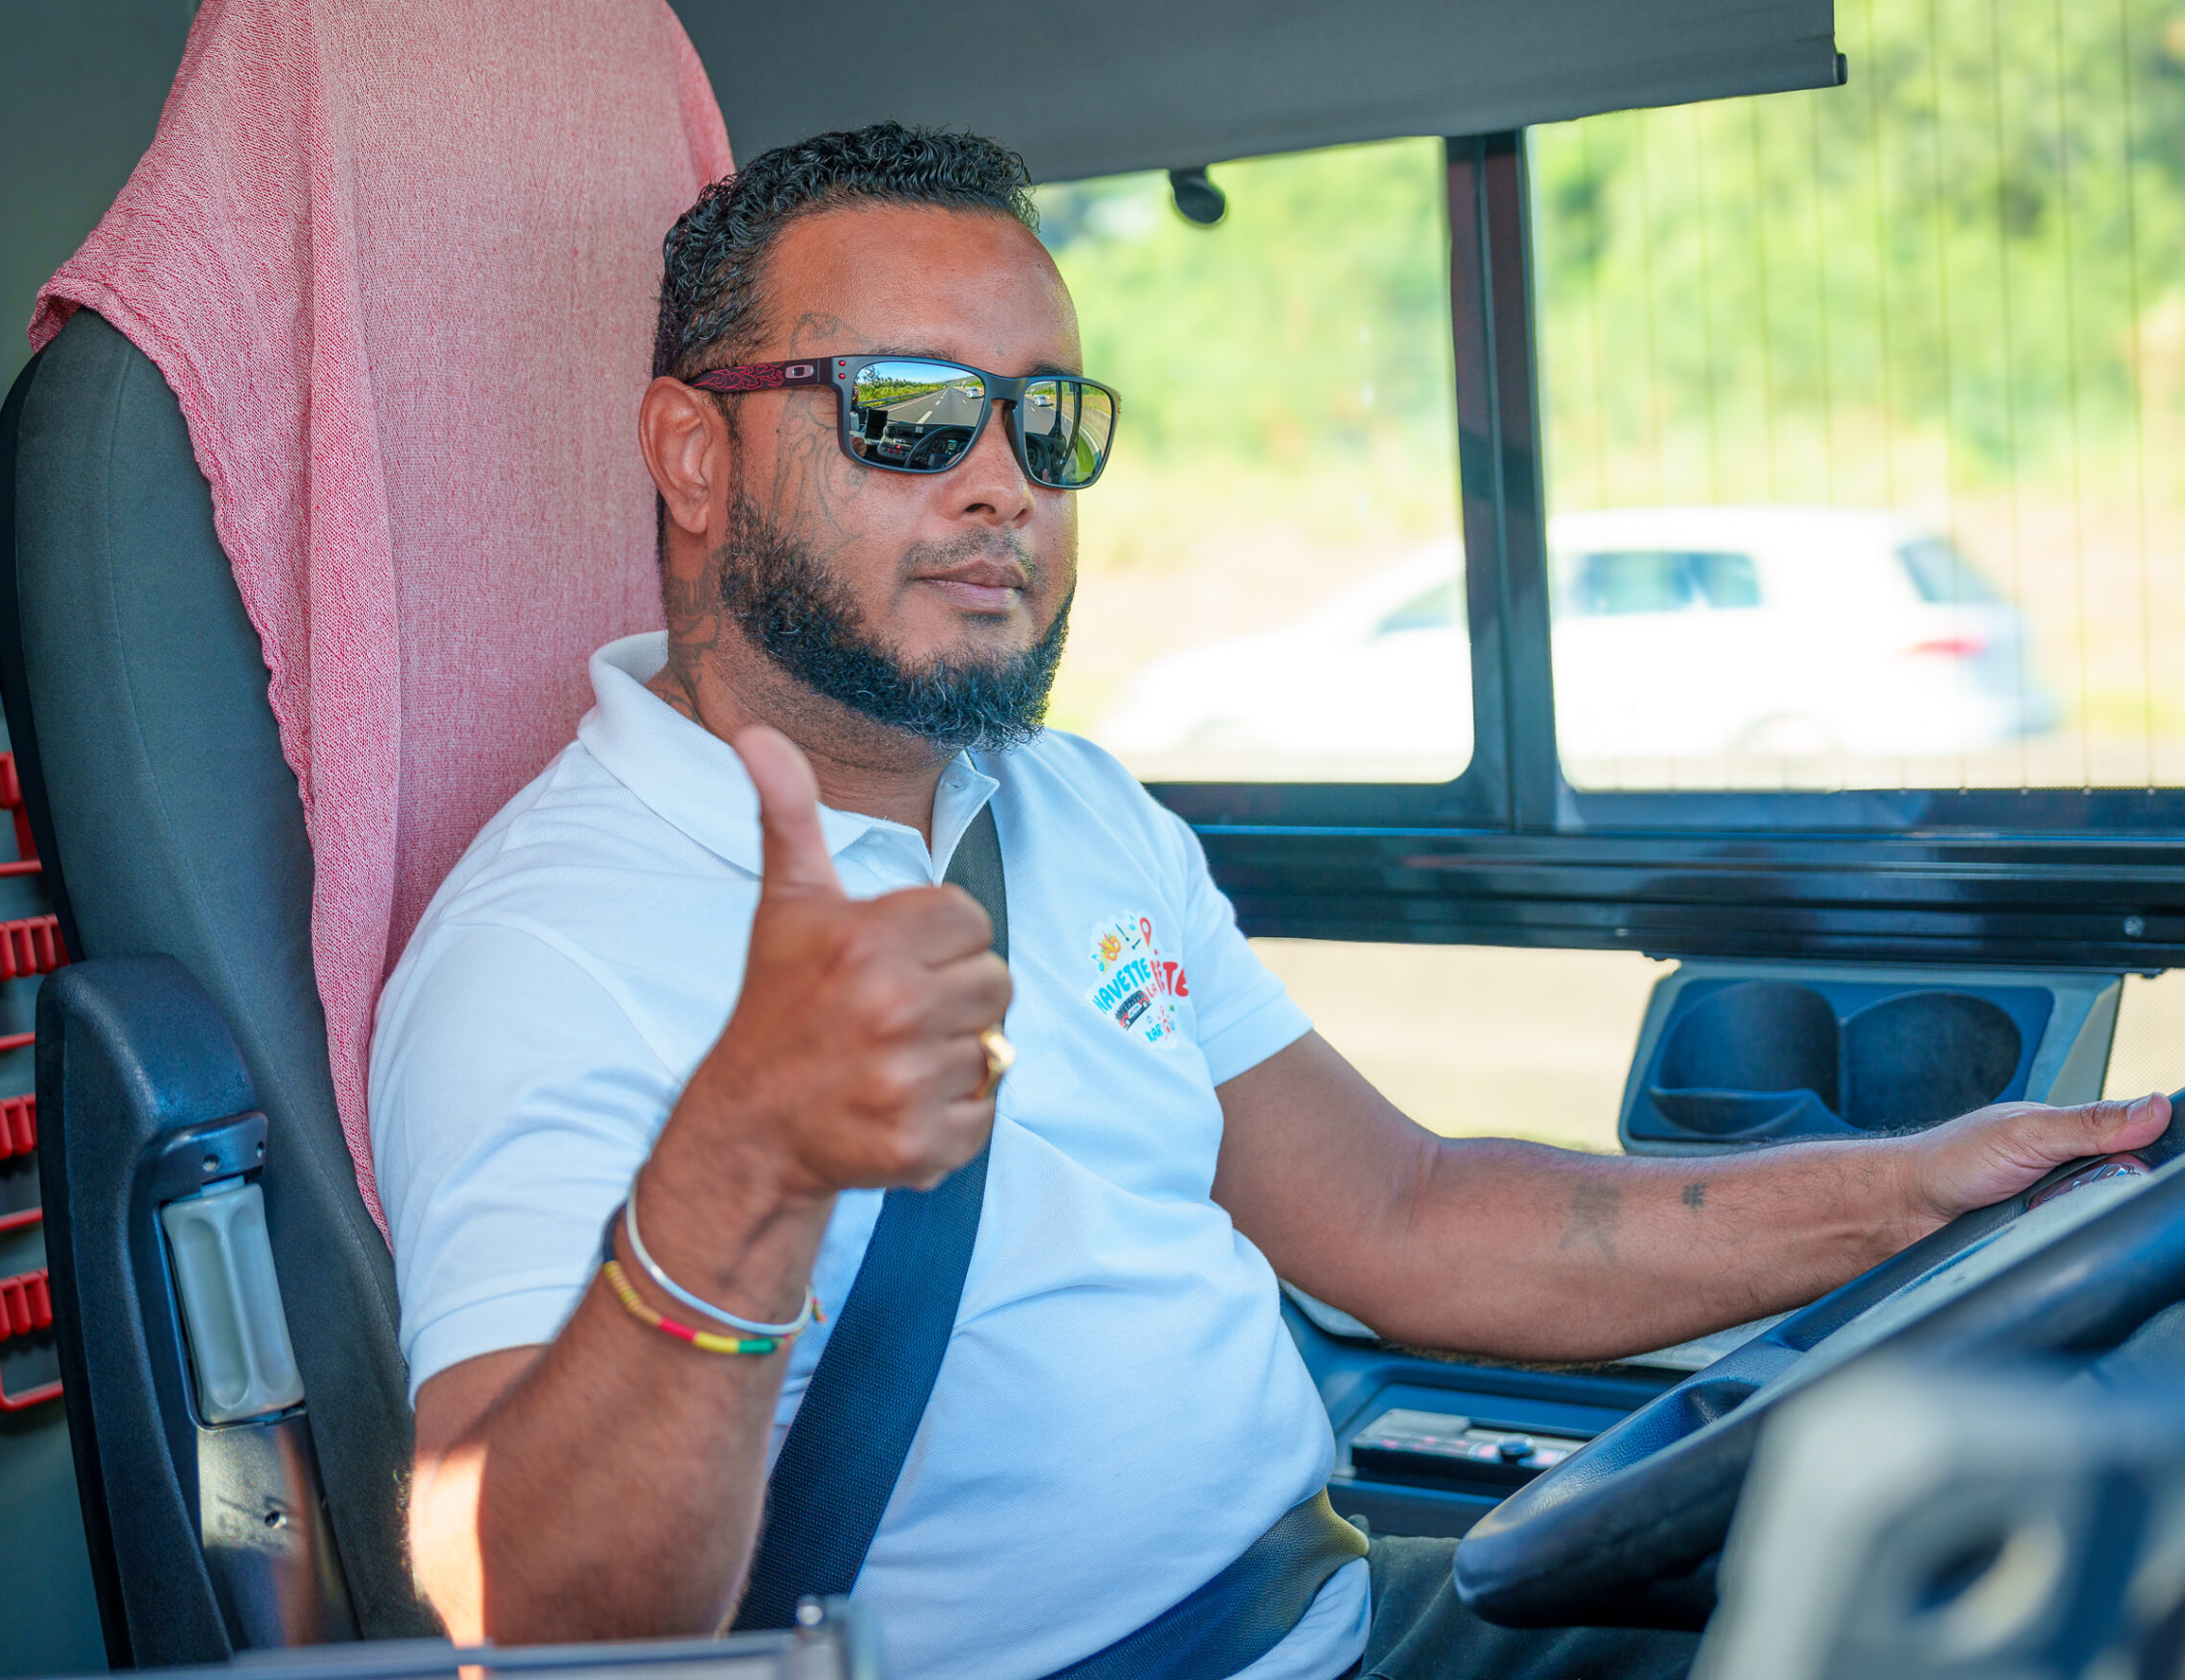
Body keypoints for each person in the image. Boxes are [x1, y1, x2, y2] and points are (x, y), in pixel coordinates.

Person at [371, 124, 2170, 1680]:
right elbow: (534, 1616)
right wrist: (741, 1167)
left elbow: (1404, 1213)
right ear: (692, 455)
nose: (1001, 484)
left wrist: (1924, 1192)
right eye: (907, 413)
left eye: (1049, 422)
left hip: (1348, 1610)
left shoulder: (1070, 805)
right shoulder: (546, 948)